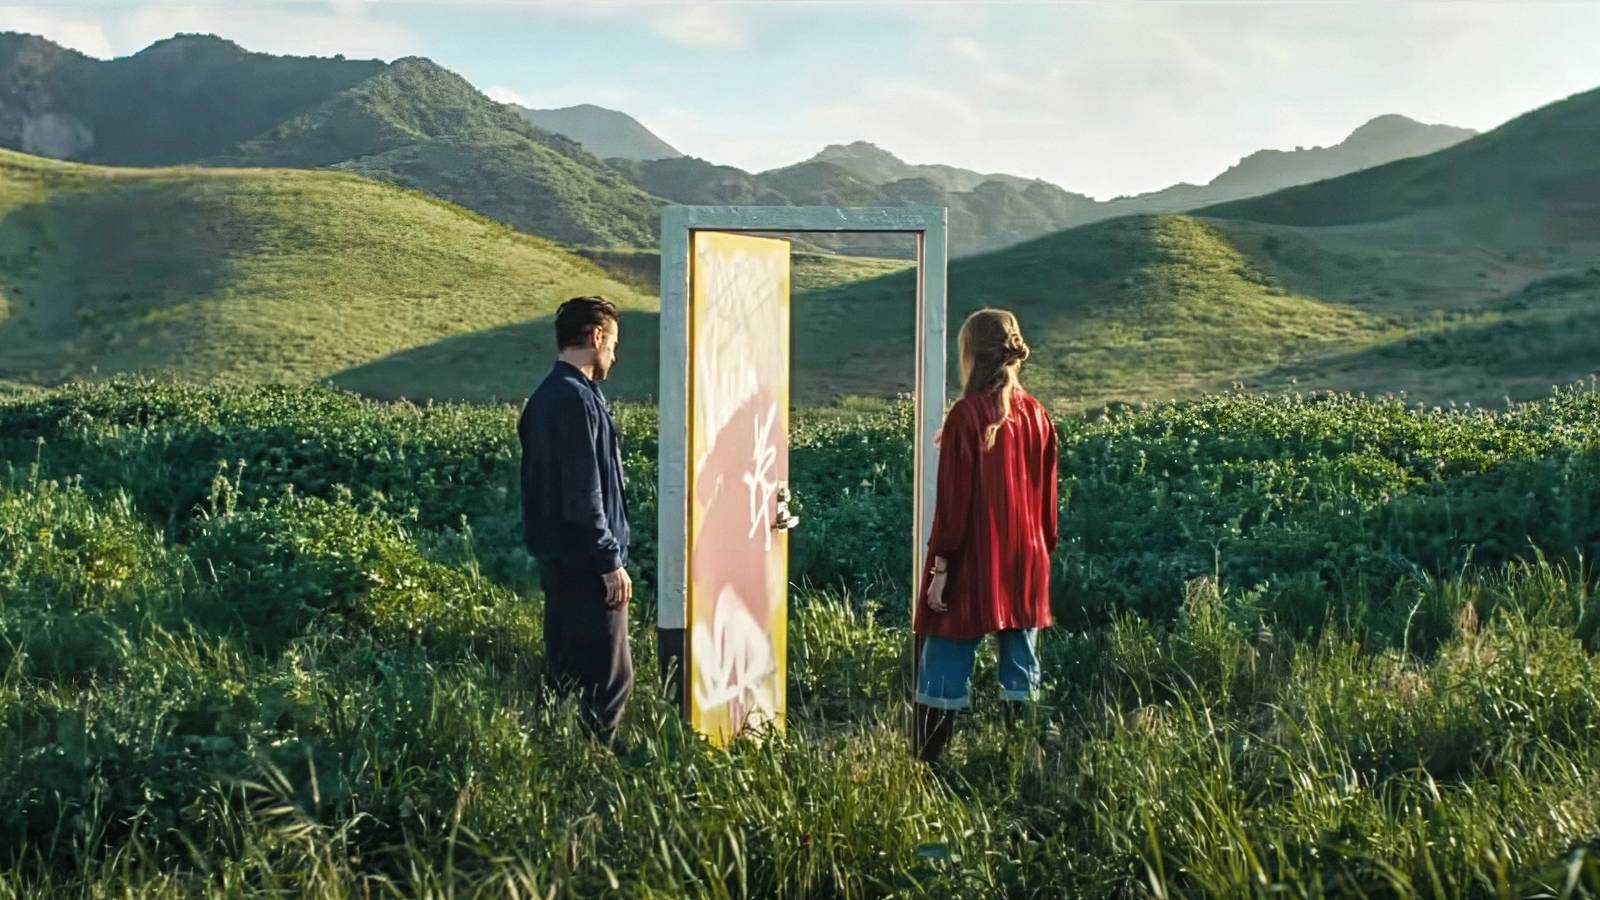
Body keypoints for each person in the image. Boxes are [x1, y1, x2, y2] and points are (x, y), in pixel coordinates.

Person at [913, 308, 1059, 764]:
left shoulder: (967, 415)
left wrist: (940, 569)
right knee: (1022, 664)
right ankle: (1023, 762)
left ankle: (930, 766)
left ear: (972, 354)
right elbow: (1048, 505)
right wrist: (1040, 553)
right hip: (1027, 557)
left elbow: (953, 505)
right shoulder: (1038, 415)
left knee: (944, 657)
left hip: (975, 557)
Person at [519, 296, 634, 745]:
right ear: (596, 336)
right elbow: (583, 491)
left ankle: (555, 758)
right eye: (613, 344)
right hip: (587, 564)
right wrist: (609, 561)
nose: (614, 356)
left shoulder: (546, 398)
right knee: (610, 679)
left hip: (559, 560)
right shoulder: (576, 400)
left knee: (565, 674)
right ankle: (595, 765)